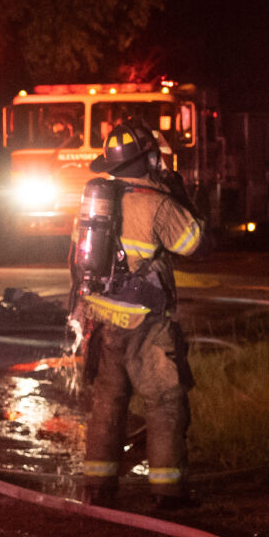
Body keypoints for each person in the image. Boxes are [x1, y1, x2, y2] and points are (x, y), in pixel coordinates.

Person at [72, 117, 211, 511]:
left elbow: (76, 260)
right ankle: (168, 494)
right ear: (148, 160)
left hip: (102, 319)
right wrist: (180, 193)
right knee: (165, 403)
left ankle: (98, 487)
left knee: (108, 402)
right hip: (146, 322)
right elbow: (198, 245)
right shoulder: (157, 204)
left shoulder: (95, 204)